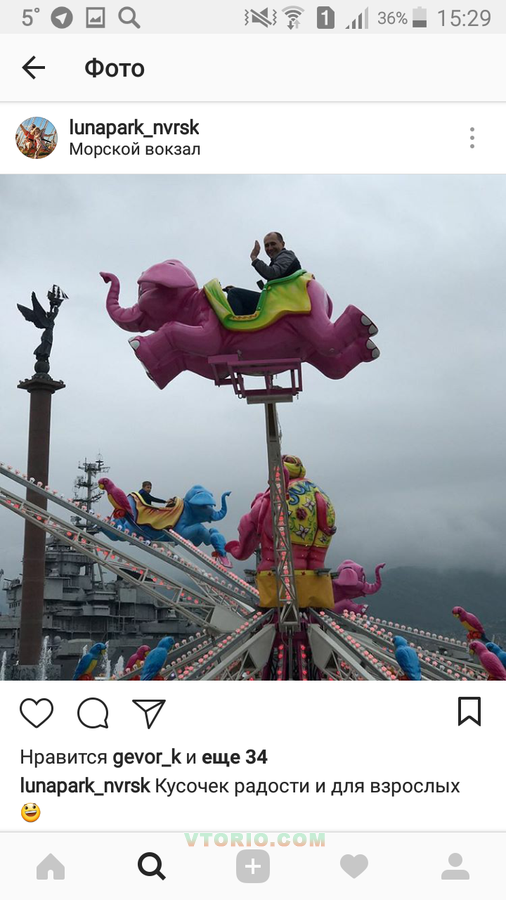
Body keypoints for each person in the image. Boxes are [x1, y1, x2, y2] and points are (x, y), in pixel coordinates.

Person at [226, 232, 302, 316]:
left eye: (273, 244)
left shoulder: (287, 255)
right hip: (279, 301)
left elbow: (272, 273)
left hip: (282, 303)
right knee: (237, 295)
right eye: (267, 245)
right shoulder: (277, 261)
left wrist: (254, 258)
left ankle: (235, 324)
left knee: (234, 293)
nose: (270, 248)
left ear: (282, 244)